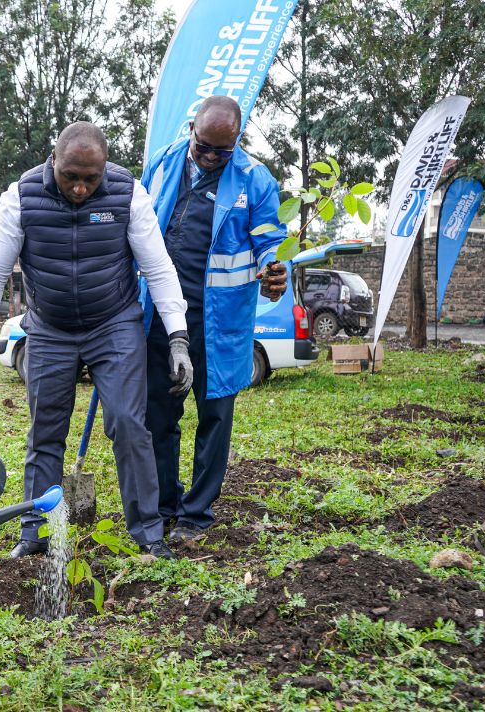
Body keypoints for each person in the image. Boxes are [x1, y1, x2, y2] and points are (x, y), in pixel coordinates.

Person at [0, 121, 192, 560]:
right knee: (45, 430)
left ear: (104, 168)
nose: (80, 188)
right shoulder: (21, 197)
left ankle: (148, 533)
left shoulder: (128, 194)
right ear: (53, 160)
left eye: (91, 179)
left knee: (128, 423)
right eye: (70, 176)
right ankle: (36, 533)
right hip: (49, 329)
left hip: (114, 324)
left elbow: (159, 268)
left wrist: (178, 338)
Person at [142, 96, 289, 541]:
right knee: (158, 416)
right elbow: (139, 220)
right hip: (162, 316)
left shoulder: (255, 179)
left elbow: (270, 239)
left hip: (219, 322)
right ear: (192, 128)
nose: (209, 157)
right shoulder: (164, 162)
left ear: (237, 142)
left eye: (221, 152)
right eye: (203, 146)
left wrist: (274, 268)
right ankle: (164, 506)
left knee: (215, 417)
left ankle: (195, 515)